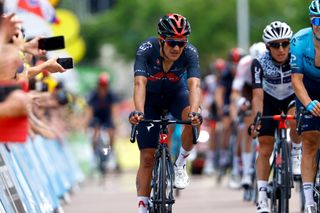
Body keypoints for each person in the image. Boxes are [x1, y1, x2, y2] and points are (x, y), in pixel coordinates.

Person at [128, 13, 202, 213]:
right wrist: (138, 112)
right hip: (150, 100)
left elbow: (194, 85)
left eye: (181, 43)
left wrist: (194, 112)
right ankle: (142, 208)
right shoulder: (147, 50)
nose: (177, 48)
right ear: (162, 40)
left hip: (175, 95)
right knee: (147, 158)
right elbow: (139, 83)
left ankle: (180, 164)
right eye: (172, 43)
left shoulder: (190, 53)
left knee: (194, 118)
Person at [250, 21, 301, 213]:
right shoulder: (259, 63)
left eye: (285, 44)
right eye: (275, 45)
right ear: (267, 47)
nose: (281, 49)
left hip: (291, 97)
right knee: (264, 147)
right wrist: (257, 120)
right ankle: (262, 199)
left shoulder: (296, 58)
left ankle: (296, 151)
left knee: (295, 117)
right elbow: (257, 95)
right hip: (269, 100)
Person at [291, 1, 320, 212]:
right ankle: (309, 202)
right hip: (307, 87)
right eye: (317, 21)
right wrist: (308, 103)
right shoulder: (300, 40)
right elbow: (296, 80)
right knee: (309, 141)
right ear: (311, 21)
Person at [229, 42, 266, 188]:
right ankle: (245, 171)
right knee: (248, 125)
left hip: (266, 87)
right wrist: (240, 102)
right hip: (249, 90)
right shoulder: (244, 64)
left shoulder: (270, 61)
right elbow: (236, 91)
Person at [215, 47, 245, 189]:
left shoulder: (247, 71)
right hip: (229, 103)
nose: (235, 68)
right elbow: (219, 93)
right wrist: (221, 108)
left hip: (243, 102)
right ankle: (224, 155)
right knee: (226, 126)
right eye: (233, 65)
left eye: (237, 65)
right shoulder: (226, 74)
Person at [86, 72, 119, 176]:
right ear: (98, 85)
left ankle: (111, 152)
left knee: (111, 133)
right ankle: (94, 155)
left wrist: (115, 123)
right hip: (97, 117)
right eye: (101, 85)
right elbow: (89, 111)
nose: (103, 88)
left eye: (105, 85)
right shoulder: (93, 95)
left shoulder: (111, 95)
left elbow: (114, 111)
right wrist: (87, 123)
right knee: (94, 134)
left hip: (107, 117)